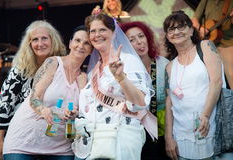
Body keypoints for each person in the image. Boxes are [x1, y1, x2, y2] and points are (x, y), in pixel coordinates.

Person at [72, 13, 157, 160]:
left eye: (102, 30)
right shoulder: (94, 69)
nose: (97, 35)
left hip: (120, 140)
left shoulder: (128, 61)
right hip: (92, 142)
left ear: (114, 32)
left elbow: (140, 103)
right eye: (93, 31)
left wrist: (120, 77)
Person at [1, 25, 92, 160]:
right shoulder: (53, 63)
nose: (81, 46)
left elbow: (86, 113)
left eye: (86, 43)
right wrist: (43, 110)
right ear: (70, 43)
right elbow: (34, 97)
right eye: (77, 40)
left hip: (61, 148)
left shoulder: (84, 78)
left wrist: (75, 113)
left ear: (91, 50)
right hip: (24, 141)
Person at [0, 20, 66, 160]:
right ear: (29, 44)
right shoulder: (21, 69)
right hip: (21, 138)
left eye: (44, 38)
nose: (40, 44)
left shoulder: (62, 66)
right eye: (35, 39)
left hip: (53, 141)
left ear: (53, 40)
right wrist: (1, 141)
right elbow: (5, 106)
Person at [163, 11, 223, 160]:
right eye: (171, 29)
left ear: (191, 30)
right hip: (181, 137)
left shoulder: (205, 46)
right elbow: (169, 102)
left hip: (208, 129)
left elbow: (216, 81)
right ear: (167, 36)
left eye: (181, 27)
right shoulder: (170, 66)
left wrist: (205, 115)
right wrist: (168, 137)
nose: (176, 32)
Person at [120, 21, 170, 160]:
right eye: (132, 40)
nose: (139, 42)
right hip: (134, 133)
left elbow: (171, 102)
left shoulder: (164, 65)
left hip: (162, 133)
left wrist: (169, 135)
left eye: (141, 36)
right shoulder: (123, 70)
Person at [192, 0, 233, 91]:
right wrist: (200, 28)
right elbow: (194, 19)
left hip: (228, 43)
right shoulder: (206, 1)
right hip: (207, 43)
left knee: (232, 76)